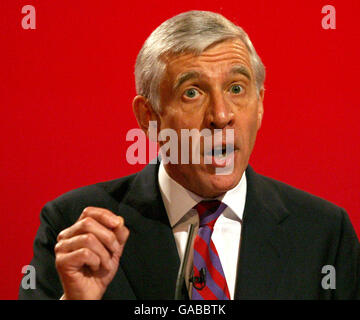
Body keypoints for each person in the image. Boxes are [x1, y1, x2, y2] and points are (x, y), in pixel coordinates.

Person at [19, 10, 360, 300]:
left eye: (237, 88)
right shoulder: (74, 227)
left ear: (260, 106)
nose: (222, 115)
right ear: (149, 117)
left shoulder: (324, 232)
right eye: (192, 92)